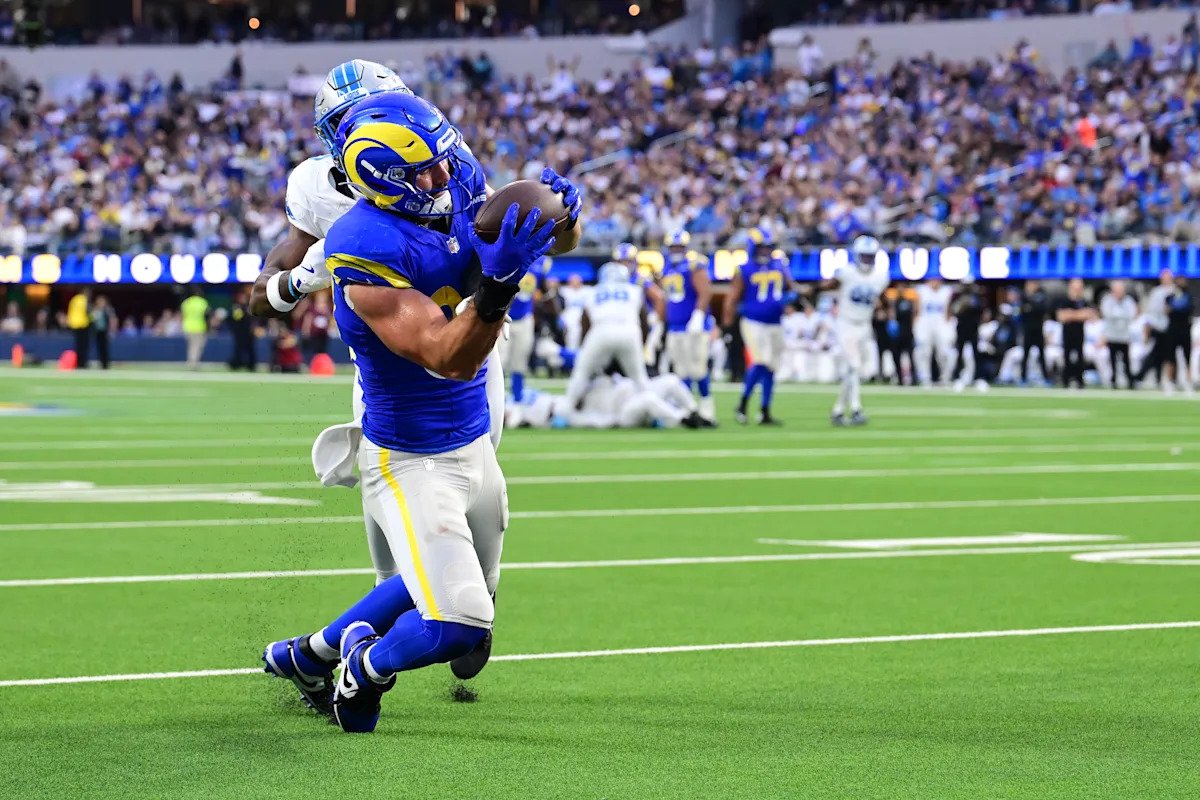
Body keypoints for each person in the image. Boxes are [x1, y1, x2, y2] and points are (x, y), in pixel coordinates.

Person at [262, 91, 578, 734]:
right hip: (410, 458)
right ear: (382, 179)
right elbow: (447, 357)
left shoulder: (454, 174)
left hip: (473, 443)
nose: (445, 176)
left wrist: (562, 218)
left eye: (442, 159)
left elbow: (553, 240)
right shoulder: (363, 244)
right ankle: (366, 665)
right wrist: (497, 286)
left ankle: (309, 654)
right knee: (461, 620)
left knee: (462, 616)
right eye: (424, 171)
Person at [563, 261, 654, 413]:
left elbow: (584, 323)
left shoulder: (594, 291)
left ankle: (563, 413)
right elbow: (644, 321)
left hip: (601, 330)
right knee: (639, 378)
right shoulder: (634, 290)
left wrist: (585, 347)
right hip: (629, 330)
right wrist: (642, 343)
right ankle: (654, 412)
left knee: (581, 373)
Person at [723, 228, 789, 425]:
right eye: (761, 248)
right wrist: (727, 325)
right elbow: (732, 298)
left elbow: (791, 287)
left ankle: (765, 410)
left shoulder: (780, 265)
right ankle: (743, 403)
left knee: (771, 367)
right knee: (761, 361)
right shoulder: (744, 268)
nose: (765, 252)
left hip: (775, 322)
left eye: (768, 248)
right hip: (753, 320)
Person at [826, 235, 890, 426]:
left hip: (864, 324)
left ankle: (838, 410)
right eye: (864, 256)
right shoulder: (846, 272)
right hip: (846, 323)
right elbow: (829, 285)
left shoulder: (881, 277)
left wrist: (885, 312)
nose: (867, 260)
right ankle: (855, 408)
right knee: (853, 366)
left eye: (870, 257)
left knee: (854, 370)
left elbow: (881, 298)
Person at [661, 230, 716, 424]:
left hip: (693, 326)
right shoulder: (667, 268)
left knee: (698, 368)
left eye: (679, 247)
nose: (676, 250)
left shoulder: (694, 264)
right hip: (675, 326)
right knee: (681, 371)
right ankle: (689, 411)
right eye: (673, 247)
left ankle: (707, 408)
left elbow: (705, 290)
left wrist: (699, 315)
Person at [499, 265, 538, 403]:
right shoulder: (509, 257)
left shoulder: (540, 264)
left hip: (525, 318)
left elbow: (546, 287)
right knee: (500, 360)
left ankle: (517, 397)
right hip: (504, 316)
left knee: (520, 360)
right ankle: (499, 396)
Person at [1133, 269, 1176, 390]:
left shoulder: (1175, 291)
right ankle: (1144, 377)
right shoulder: (1157, 292)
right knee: (1156, 354)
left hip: (1171, 327)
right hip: (1158, 326)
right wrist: (1148, 328)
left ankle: (1164, 379)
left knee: (1165, 355)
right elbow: (1151, 312)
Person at [1055, 278, 1094, 389]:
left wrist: (1071, 314)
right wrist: (1079, 315)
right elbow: (1061, 316)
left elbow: (1088, 315)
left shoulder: (1084, 301)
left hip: (1079, 334)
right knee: (1066, 357)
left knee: (1080, 358)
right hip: (1067, 334)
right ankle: (1066, 381)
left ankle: (1079, 381)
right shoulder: (1064, 301)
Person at [914, 277, 953, 386]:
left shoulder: (946, 291)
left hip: (941, 323)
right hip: (924, 323)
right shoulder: (922, 290)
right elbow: (916, 309)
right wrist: (915, 324)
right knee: (923, 352)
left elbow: (949, 310)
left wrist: (949, 324)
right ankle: (924, 378)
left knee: (944, 352)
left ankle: (945, 378)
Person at [1099, 279, 1137, 389]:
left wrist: (1117, 315)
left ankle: (1130, 381)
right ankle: (1113, 380)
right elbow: (1107, 314)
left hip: (1124, 336)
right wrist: (1120, 316)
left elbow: (1131, 315)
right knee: (1112, 360)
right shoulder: (1107, 301)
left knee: (1126, 360)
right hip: (1112, 336)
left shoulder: (1129, 301)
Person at [950, 278, 984, 391]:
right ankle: (957, 378)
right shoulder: (957, 295)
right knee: (959, 354)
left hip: (973, 328)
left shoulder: (976, 296)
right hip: (962, 328)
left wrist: (972, 304)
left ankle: (979, 378)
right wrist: (962, 305)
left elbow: (980, 310)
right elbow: (953, 310)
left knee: (976, 354)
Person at [1165, 275, 1195, 394]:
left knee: (1187, 358)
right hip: (1172, 330)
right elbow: (1168, 310)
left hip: (1185, 330)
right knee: (1170, 358)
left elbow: (1186, 309)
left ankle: (1188, 382)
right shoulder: (1170, 297)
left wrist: (1176, 307)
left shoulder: (1188, 297)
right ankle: (1170, 382)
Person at [1019, 279, 1051, 386]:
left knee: (1042, 355)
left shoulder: (1041, 296)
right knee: (1025, 355)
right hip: (1027, 330)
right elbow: (1022, 311)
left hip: (1038, 330)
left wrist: (1031, 306)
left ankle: (1046, 378)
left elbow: (1041, 309)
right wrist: (1030, 307)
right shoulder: (1024, 297)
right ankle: (1023, 378)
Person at [180, 287, 210, 370]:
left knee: (191, 346)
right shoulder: (202, 302)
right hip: (199, 327)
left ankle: (191, 362)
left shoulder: (186, 302)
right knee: (197, 346)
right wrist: (208, 327)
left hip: (187, 327)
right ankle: (193, 363)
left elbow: (182, 315)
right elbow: (207, 315)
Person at [228, 288, 257, 371]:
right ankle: (237, 364)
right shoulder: (236, 307)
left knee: (250, 349)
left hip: (249, 332)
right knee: (239, 349)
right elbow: (236, 318)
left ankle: (251, 365)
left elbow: (253, 319)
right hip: (239, 332)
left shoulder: (249, 306)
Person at [66, 288, 91, 368]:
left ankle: (78, 363)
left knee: (78, 345)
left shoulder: (74, 299)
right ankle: (82, 363)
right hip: (83, 325)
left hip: (74, 325)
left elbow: (70, 311)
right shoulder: (83, 299)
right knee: (83, 346)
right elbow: (87, 311)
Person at [90, 294, 113, 370]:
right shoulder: (95, 309)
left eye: (102, 301)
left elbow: (112, 320)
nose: (101, 302)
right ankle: (102, 363)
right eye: (99, 301)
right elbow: (91, 319)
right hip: (97, 332)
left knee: (105, 348)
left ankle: (106, 363)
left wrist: (111, 330)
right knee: (99, 347)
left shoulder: (108, 309)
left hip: (104, 331)